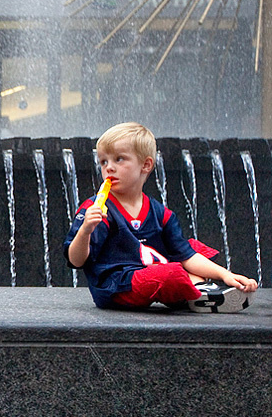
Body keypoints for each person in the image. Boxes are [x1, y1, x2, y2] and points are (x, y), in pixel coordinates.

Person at [64, 122, 257, 312]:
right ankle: (196, 290)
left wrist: (226, 275)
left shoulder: (160, 213)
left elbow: (185, 255)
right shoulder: (97, 209)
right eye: (103, 161)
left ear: (146, 165)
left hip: (154, 270)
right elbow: (76, 260)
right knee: (171, 274)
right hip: (117, 285)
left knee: (196, 250)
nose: (109, 168)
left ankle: (197, 292)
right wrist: (85, 230)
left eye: (119, 159)